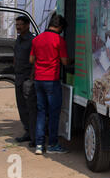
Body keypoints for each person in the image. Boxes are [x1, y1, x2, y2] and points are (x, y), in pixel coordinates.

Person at [29, 14, 72, 155]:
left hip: (38, 80)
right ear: (59, 27)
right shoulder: (59, 40)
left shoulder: (37, 39)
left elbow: (31, 60)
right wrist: (73, 60)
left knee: (41, 112)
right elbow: (65, 62)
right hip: (52, 82)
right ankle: (53, 144)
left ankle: (39, 145)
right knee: (53, 114)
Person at [14, 16, 37, 148]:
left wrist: (31, 78)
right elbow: (15, 56)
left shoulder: (32, 41)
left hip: (27, 79)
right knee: (21, 107)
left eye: (20, 25)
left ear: (27, 25)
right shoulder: (18, 39)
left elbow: (35, 60)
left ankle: (33, 135)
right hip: (18, 77)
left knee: (30, 109)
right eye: (16, 25)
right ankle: (27, 132)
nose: (18, 27)